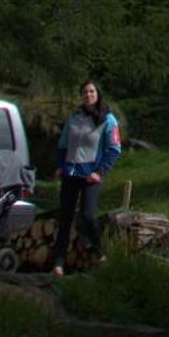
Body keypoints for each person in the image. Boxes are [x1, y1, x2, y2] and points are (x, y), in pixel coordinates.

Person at [51, 80, 120, 275]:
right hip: (71, 173)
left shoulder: (108, 119)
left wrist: (100, 172)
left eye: (91, 91)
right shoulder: (74, 117)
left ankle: (100, 252)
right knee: (65, 217)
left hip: (91, 175)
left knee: (87, 215)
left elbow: (114, 149)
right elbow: (63, 144)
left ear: (97, 94)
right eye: (84, 92)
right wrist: (60, 166)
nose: (88, 95)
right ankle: (59, 262)